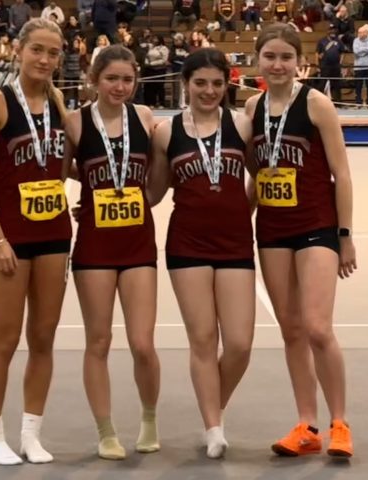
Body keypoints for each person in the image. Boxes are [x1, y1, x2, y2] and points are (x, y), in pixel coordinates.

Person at [244, 24, 356, 458]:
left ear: (299, 62)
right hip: (272, 230)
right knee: (291, 330)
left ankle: (340, 423)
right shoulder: (251, 108)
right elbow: (260, 174)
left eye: (285, 57)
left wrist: (345, 235)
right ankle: (306, 424)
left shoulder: (316, 103)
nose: (277, 65)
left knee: (317, 327)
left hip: (317, 225)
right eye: (270, 56)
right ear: (258, 60)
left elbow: (341, 173)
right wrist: (240, 219)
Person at [0, 17, 71, 466]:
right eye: (38, 50)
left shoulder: (59, 102)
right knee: (5, 340)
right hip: (10, 237)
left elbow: (61, 164)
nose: (45, 60)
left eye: (53, 53)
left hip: (54, 234)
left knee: (44, 337)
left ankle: (32, 432)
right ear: (18, 50)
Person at [148, 48, 255, 459]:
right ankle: (214, 426)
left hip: (234, 244)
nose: (209, 91)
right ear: (185, 84)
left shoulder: (242, 126)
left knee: (241, 343)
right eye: (200, 83)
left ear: (227, 84)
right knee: (204, 339)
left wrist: (237, 213)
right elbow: (155, 193)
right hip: (187, 244)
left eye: (216, 83)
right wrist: (97, 193)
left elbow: (261, 178)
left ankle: (213, 404)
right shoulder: (165, 133)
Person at [61, 44, 160, 461]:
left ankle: (150, 418)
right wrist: (95, 192)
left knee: (142, 342)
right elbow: (63, 166)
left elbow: (156, 174)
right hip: (95, 245)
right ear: (94, 79)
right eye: (111, 78)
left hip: (138, 242)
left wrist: (138, 198)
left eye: (127, 79)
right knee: (98, 340)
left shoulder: (145, 118)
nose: (120, 87)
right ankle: (106, 431)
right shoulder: (75, 122)